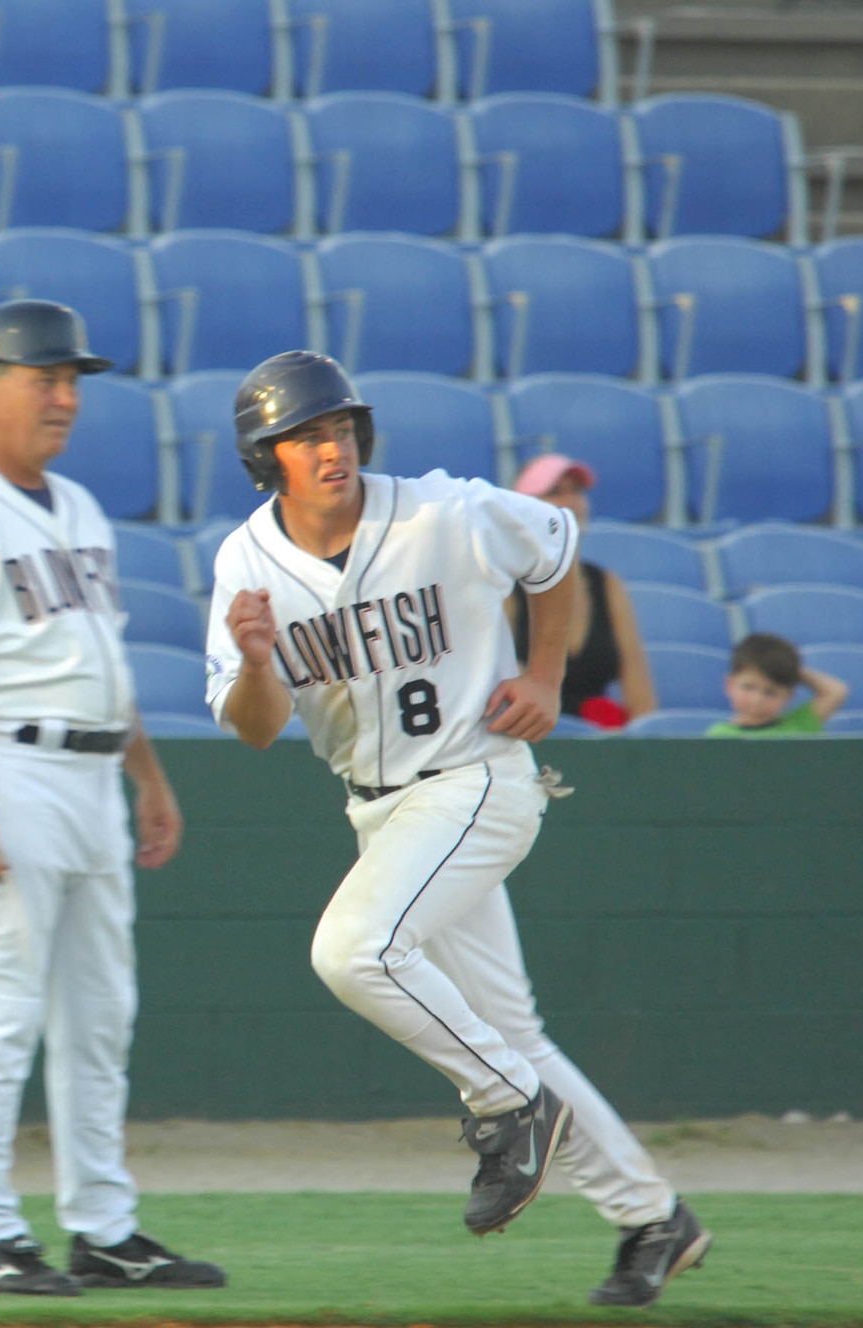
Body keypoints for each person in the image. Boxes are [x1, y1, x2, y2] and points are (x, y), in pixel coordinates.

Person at [204, 351, 711, 1307]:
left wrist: (548, 671)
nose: (330, 447)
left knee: (353, 950)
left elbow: (556, 547)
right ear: (265, 456)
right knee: (513, 1030)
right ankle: (654, 1219)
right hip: (380, 808)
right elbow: (257, 726)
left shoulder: (442, 510)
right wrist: (258, 660)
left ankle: (506, 1105)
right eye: (305, 435)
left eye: (341, 426)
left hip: (476, 780)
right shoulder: (244, 562)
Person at [0, 300, 225, 1297]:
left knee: (98, 1015)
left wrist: (147, 775)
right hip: (3, 768)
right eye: (45, 376)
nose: (65, 396)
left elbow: (101, 663)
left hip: (89, 777)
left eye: (72, 379)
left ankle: (102, 1226)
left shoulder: (75, 504)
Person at [505, 454, 656, 729]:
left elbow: (640, 694)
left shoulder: (608, 584)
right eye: (554, 492)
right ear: (521, 508)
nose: (572, 501)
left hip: (598, 745)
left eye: (577, 491)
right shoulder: (503, 584)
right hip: (523, 736)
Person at [706, 633, 848, 736]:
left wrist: (791, 670)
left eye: (770, 692)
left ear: (789, 696)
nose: (757, 700)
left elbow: (836, 691)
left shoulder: (800, 725)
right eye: (748, 687)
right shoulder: (719, 735)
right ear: (729, 685)